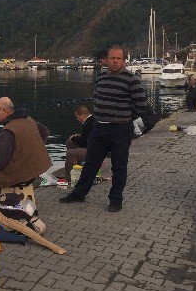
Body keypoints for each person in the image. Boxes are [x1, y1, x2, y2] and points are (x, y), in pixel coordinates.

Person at [59, 45, 147, 212]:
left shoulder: (132, 79)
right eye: (112, 58)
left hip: (120, 129)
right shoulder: (100, 77)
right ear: (107, 60)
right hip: (99, 128)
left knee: (119, 166)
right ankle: (78, 194)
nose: (115, 61)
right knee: (91, 164)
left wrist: (124, 117)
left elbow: (141, 106)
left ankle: (115, 200)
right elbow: (97, 98)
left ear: (123, 60)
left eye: (118, 59)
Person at [64, 105, 93, 181]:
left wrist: (74, 138)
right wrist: (78, 136)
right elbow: (87, 136)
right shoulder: (91, 120)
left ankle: (70, 178)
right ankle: (77, 168)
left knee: (70, 153)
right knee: (69, 142)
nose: (77, 119)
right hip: (94, 147)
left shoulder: (88, 124)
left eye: (78, 117)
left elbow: (83, 143)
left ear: (82, 115)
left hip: (94, 152)